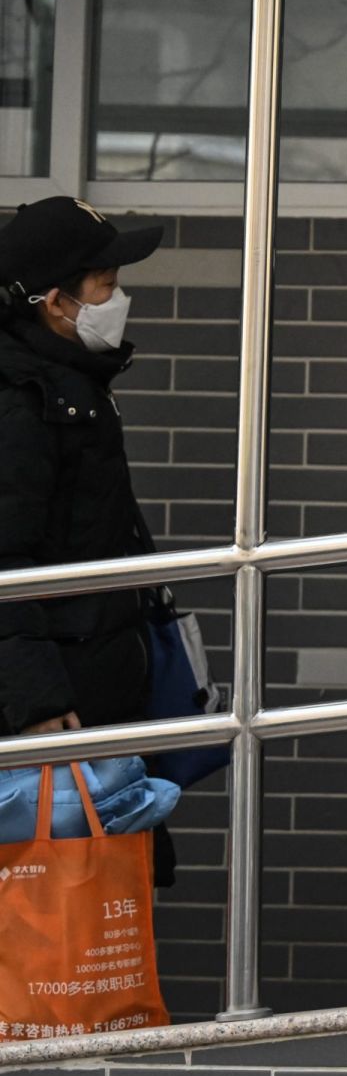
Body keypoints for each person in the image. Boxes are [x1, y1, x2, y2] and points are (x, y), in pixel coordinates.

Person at [0, 196, 176, 882]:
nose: (118, 299)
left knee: (97, 905)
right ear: (55, 302)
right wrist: (36, 701)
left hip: (91, 689)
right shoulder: (22, 400)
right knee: (54, 913)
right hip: (59, 709)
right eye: (106, 284)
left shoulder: (68, 383)